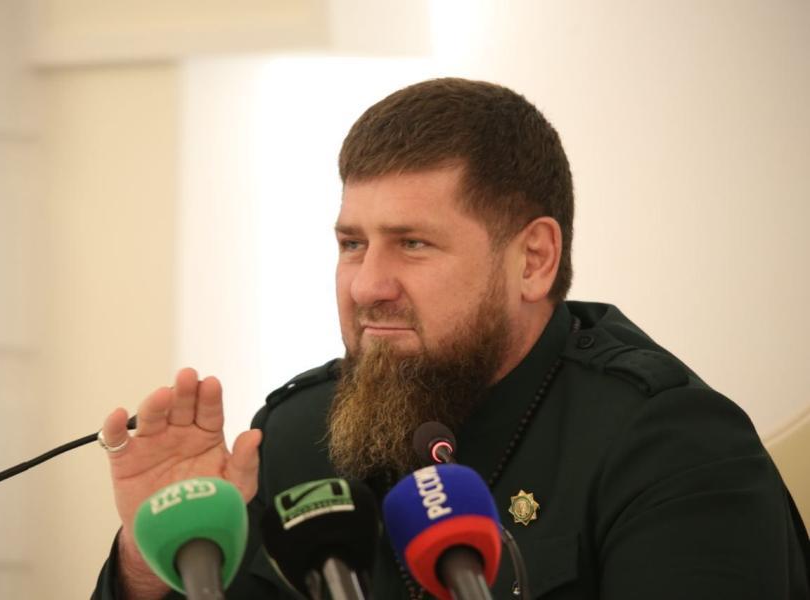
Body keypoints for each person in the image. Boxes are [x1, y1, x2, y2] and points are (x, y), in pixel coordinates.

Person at [92, 78, 809, 599]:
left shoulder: (672, 446)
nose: (366, 285)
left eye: (413, 243)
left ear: (533, 260)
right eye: (352, 243)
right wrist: (161, 560)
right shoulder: (297, 432)